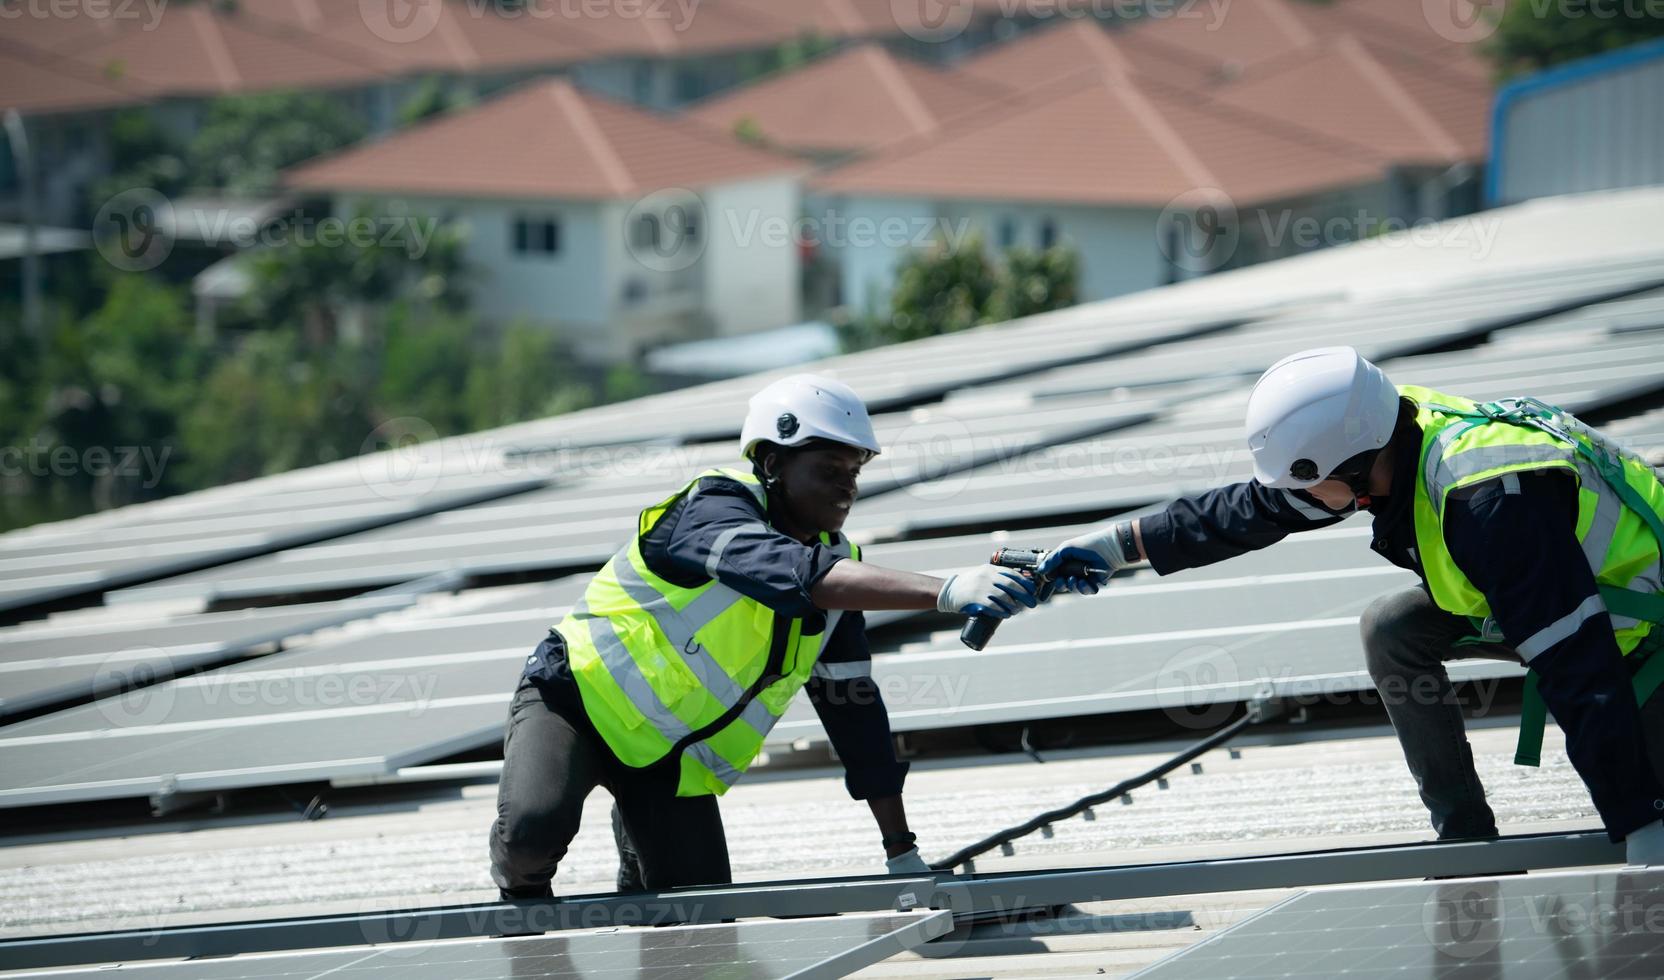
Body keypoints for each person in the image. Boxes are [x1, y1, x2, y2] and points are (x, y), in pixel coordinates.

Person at [1038, 347, 1664, 864]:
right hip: (1558, 599)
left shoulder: (1488, 502)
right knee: (1392, 629)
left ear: (1355, 467)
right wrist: (1111, 548)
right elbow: (1246, 512)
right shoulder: (1387, 430)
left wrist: (1640, 823)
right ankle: (1465, 843)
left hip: (1639, 629)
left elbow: (1577, 667)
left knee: (1646, 808)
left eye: (1308, 482)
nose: (1299, 497)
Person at [489, 374, 1041, 898]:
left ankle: (638, 853)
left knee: (701, 938)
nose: (846, 487)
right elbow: (783, 568)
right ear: (773, 462)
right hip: (573, 703)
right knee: (531, 838)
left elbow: (854, 714)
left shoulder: (841, 573)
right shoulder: (710, 509)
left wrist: (900, 848)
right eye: (829, 469)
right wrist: (946, 589)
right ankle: (524, 914)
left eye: (854, 472)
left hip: (669, 767)